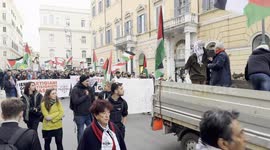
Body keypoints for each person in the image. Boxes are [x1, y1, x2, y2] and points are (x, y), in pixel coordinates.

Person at [71, 75, 95, 143]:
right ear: (82, 81)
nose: (88, 82)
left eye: (88, 81)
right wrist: (85, 96)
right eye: (86, 81)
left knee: (91, 131)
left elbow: (93, 100)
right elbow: (75, 101)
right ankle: (81, 146)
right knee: (81, 132)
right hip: (79, 115)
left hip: (89, 114)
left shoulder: (89, 88)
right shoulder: (75, 89)